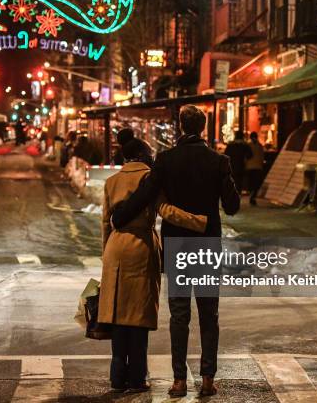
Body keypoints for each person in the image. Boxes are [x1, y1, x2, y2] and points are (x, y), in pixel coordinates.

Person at [111, 105, 240, 397]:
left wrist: (119, 216)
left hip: (178, 245)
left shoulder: (166, 160)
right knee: (209, 315)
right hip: (207, 244)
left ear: (181, 126)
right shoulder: (218, 161)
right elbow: (232, 206)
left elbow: (145, 195)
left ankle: (179, 380)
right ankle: (207, 379)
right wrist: (226, 175)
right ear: (204, 128)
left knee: (179, 315)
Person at [100, 137, 209, 394]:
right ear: (142, 154)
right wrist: (199, 222)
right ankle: (137, 378)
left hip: (115, 248)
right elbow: (166, 210)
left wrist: (106, 255)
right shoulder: (151, 178)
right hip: (141, 246)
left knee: (117, 315)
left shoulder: (111, 181)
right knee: (138, 315)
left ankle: (117, 377)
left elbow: (106, 223)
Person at [246, 132, 265, 205]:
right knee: (256, 183)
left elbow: (246, 157)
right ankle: (253, 196)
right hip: (258, 167)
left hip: (249, 166)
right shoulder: (260, 146)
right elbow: (262, 156)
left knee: (251, 182)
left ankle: (252, 195)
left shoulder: (248, 145)